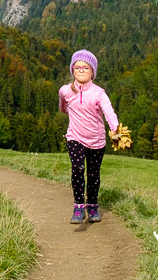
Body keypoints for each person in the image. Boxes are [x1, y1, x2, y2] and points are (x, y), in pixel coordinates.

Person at [59, 49, 121, 224]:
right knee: (77, 169)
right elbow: (63, 107)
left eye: (85, 67)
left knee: (93, 175)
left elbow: (109, 113)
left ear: (93, 71)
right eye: (77, 67)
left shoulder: (99, 93)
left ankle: (92, 206)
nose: (81, 70)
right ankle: (79, 207)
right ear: (72, 69)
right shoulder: (65, 91)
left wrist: (116, 130)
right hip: (75, 137)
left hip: (97, 141)